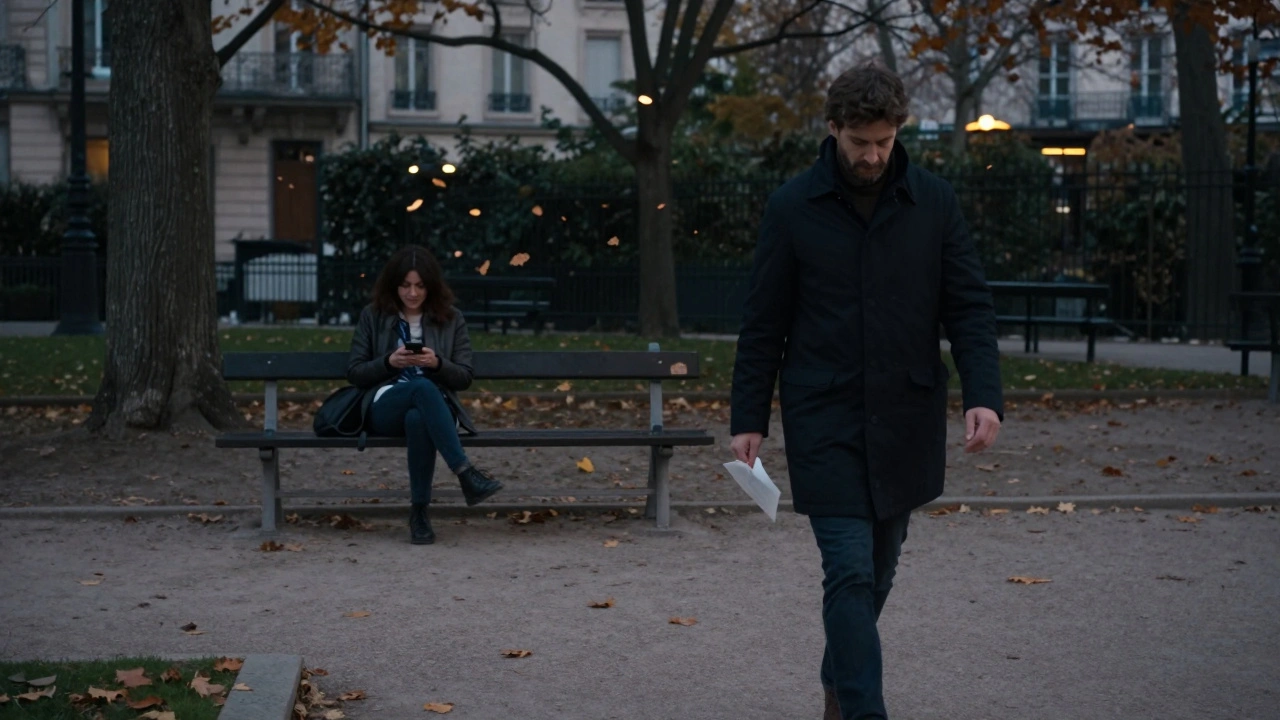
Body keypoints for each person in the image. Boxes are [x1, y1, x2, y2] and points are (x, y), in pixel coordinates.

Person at [729, 62, 1004, 720]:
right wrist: (748, 417)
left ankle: (836, 673)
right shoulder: (792, 207)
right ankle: (861, 709)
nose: (873, 155)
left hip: (906, 414)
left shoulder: (934, 202)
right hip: (822, 415)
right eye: (860, 143)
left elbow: (968, 306)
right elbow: (764, 323)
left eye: (884, 141)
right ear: (833, 129)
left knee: (880, 567)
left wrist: (984, 395)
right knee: (849, 568)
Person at [347, 245, 503, 545]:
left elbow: (464, 377)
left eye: (419, 286)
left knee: (419, 416)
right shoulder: (373, 316)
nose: (412, 293)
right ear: (394, 285)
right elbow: (355, 372)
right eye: (405, 285)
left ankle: (419, 513)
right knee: (420, 387)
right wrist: (388, 362)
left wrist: (437, 363)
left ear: (431, 286)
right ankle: (466, 474)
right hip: (385, 405)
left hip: (435, 410)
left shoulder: (451, 318)